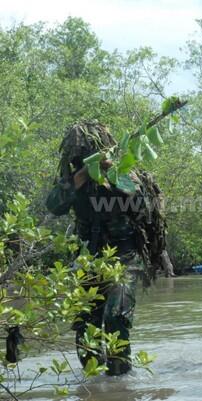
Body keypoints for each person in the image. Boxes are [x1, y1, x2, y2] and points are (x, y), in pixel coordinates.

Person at [46, 120, 165, 375]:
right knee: (84, 329)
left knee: (116, 316)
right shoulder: (74, 179)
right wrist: (81, 176)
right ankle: (94, 386)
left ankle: (120, 381)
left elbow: (141, 204)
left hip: (124, 257)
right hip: (88, 260)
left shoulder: (124, 171)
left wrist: (113, 173)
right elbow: (54, 205)